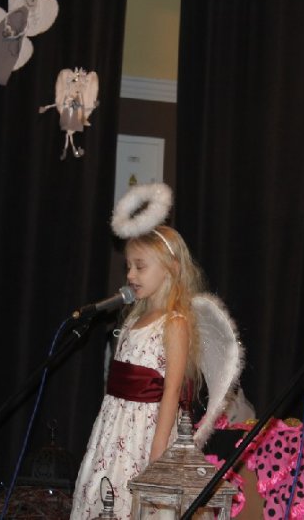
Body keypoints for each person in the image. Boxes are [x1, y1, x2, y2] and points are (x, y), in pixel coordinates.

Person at [71, 222, 205, 519]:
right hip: (114, 428)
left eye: (140, 267)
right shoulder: (132, 320)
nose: (130, 275)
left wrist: (158, 452)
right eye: (128, 267)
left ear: (171, 268)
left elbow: (172, 390)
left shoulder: (174, 323)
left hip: (145, 432)